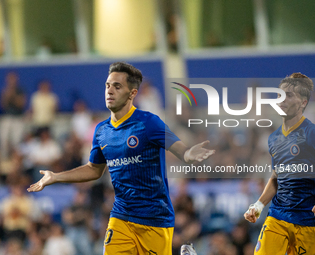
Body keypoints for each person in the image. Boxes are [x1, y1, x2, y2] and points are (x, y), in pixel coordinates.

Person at [28, 62, 215, 255]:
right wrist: (56, 177)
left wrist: (189, 154)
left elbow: (181, 151)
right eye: (108, 85)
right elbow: (94, 169)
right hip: (121, 216)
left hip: (155, 218)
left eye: (117, 86)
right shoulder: (102, 131)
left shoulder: (149, 122)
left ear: (132, 93)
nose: (110, 91)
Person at [244, 73, 315, 255]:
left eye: (289, 95)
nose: (282, 100)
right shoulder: (274, 138)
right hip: (277, 216)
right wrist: (258, 206)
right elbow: (277, 176)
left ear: (303, 102)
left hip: (307, 220)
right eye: (279, 95)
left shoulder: (311, 134)